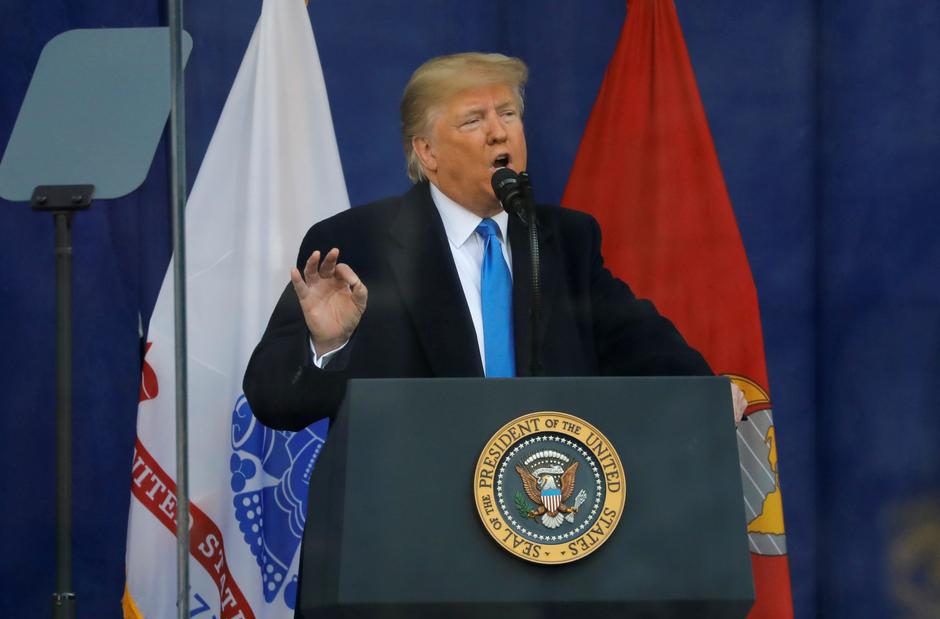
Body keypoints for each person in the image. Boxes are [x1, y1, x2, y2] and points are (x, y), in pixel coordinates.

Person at [243, 52, 745, 431]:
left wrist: (707, 396)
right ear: (428, 152)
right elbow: (272, 399)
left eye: (507, 114)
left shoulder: (565, 242)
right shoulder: (355, 245)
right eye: (473, 120)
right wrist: (328, 344)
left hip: (544, 525)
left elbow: (644, 349)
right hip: (409, 536)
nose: (498, 133)